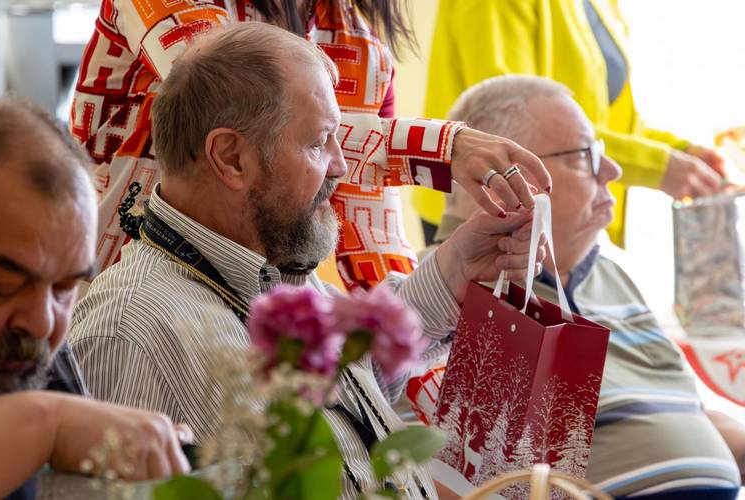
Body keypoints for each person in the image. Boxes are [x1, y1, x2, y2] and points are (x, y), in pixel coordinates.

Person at [69, 23, 546, 499]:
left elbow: (352, 389)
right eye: (319, 142)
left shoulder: (277, 268)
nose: (340, 165)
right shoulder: (128, 332)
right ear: (231, 158)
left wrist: (455, 272)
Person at [71, 0, 550, 290]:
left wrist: (446, 403)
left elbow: (374, 254)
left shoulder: (359, 45)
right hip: (127, 307)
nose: (337, 164)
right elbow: (231, 98)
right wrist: (442, 147)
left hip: (265, 320)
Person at [423, 74, 744, 499]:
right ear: (496, 176)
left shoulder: (610, 277)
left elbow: (687, 412)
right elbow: (467, 484)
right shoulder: (461, 294)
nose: (612, 171)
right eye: (585, 155)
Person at [0, 99, 189, 500]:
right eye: (1, 282)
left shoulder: (26, 357)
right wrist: (47, 426)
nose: (43, 323)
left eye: (64, 289)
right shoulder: (46, 408)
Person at [416, 0, 725, 247]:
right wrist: (659, 166)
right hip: (488, 211)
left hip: (563, 213)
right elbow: (511, 124)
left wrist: (680, 153)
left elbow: (601, 116)